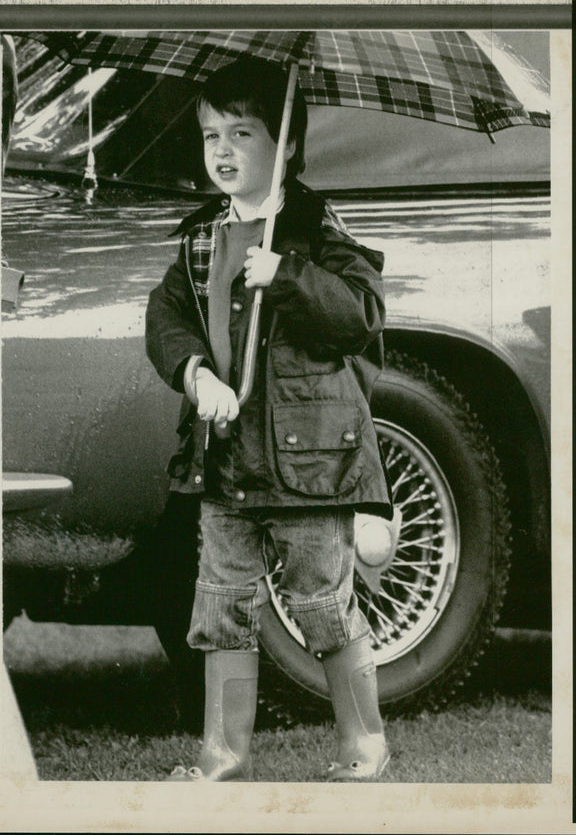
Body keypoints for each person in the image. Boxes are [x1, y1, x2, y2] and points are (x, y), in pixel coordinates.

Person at [145, 57, 392, 782]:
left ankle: (364, 741)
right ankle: (223, 754)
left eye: (243, 133)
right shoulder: (200, 238)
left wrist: (287, 274)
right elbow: (167, 319)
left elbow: (362, 316)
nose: (222, 151)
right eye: (209, 134)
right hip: (225, 461)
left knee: (322, 603)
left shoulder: (316, 228)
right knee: (220, 608)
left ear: (283, 144)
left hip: (312, 465)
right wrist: (195, 374)